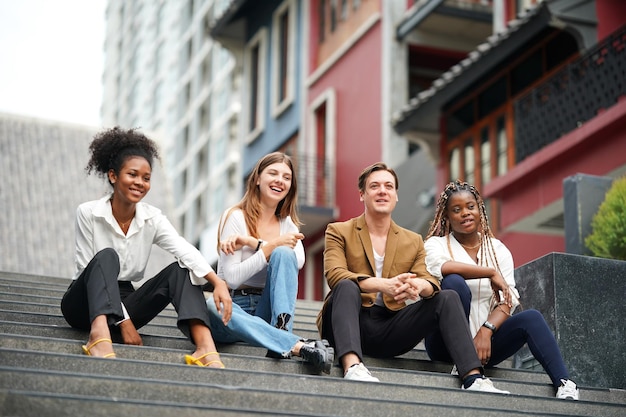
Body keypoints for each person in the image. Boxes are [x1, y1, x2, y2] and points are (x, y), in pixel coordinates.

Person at [317, 162, 509, 393]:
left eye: (388, 186)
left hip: (388, 328)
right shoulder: (338, 231)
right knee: (346, 285)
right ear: (362, 194)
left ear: (396, 195)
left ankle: (473, 378)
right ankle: (352, 366)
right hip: (345, 321)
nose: (382, 191)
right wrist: (384, 285)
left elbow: (430, 282)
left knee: (446, 296)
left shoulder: (412, 240)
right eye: (374, 186)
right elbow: (335, 275)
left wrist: (418, 285)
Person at [61, 127, 231, 368]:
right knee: (107, 256)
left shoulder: (153, 218)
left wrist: (217, 282)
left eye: (146, 177)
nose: (139, 182)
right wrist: (124, 322)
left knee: (182, 269)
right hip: (84, 302)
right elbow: (85, 269)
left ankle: (205, 346)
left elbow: (184, 248)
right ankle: (98, 336)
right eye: (132, 174)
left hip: (126, 298)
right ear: (113, 176)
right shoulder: (88, 213)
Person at [423, 180, 579, 400]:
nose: (465, 213)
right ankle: (464, 363)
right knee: (454, 283)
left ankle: (564, 383)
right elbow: (442, 268)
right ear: (446, 217)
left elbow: (508, 298)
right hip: (443, 344)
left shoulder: (498, 250)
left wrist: (486, 331)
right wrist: (489, 272)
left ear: (480, 209)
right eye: (456, 210)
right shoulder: (435, 245)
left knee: (531, 318)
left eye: (470, 206)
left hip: (483, 346)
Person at [206, 152, 334, 373]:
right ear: (257, 179)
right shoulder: (236, 216)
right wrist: (268, 248)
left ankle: (281, 333)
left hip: (270, 311)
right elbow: (233, 279)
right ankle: (290, 343)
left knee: (284, 254)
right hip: (234, 309)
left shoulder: (287, 224)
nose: (279, 180)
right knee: (210, 306)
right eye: (273, 173)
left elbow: (298, 260)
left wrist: (254, 244)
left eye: (286, 177)